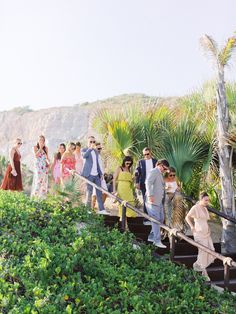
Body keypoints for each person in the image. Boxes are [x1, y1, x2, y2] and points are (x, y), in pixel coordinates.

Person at [185, 192, 215, 280]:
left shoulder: (205, 208)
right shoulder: (195, 207)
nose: (207, 202)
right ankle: (204, 272)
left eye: (208, 200)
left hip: (207, 233)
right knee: (203, 251)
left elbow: (205, 221)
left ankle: (197, 265)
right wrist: (192, 226)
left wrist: (209, 229)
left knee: (211, 250)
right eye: (205, 200)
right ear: (201, 199)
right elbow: (187, 217)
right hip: (199, 233)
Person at [145, 159, 169, 248]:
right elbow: (148, 182)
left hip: (159, 201)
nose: (164, 170)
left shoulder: (160, 174)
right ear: (160, 164)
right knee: (155, 219)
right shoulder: (154, 171)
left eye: (166, 169)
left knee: (161, 218)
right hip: (152, 200)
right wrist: (150, 195)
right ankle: (157, 240)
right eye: (164, 168)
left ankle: (151, 236)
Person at [81, 136, 108, 214]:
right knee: (89, 192)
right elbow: (84, 156)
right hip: (89, 175)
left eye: (93, 142)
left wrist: (101, 173)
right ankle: (88, 209)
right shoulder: (85, 149)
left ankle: (101, 209)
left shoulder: (96, 152)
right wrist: (90, 148)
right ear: (88, 142)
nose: (92, 143)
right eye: (91, 141)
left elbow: (97, 164)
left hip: (96, 175)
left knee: (99, 192)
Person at [135, 148, 157, 224]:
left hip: (154, 184)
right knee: (145, 201)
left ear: (151, 153)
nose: (146, 156)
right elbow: (137, 173)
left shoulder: (155, 161)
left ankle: (154, 218)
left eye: (147, 154)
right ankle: (146, 219)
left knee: (154, 201)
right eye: (144, 154)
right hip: (144, 184)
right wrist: (137, 182)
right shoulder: (140, 162)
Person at [113, 156, 137, 227]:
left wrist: (134, 179)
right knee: (122, 205)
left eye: (130, 164)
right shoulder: (119, 168)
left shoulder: (130, 170)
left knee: (130, 204)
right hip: (121, 188)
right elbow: (114, 179)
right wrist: (114, 190)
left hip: (128, 189)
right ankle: (125, 226)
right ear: (124, 162)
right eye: (127, 163)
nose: (128, 165)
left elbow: (131, 182)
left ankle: (126, 225)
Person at [92, 143, 108, 208]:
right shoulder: (93, 156)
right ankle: (92, 208)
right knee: (95, 193)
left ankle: (100, 207)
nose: (99, 150)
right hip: (96, 177)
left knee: (105, 192)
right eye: (98, 148)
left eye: (100, 148)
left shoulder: (99, 156)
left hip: (101, 177)